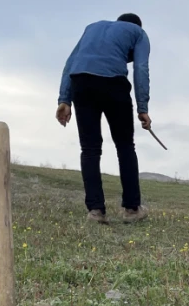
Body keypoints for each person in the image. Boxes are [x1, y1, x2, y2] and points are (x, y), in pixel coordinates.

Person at [56, 13, 151, 224]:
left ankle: (96, 211)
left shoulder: (93, 27)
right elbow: (141, 68)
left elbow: (70, 63)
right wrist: (143, 107)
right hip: (114, 84)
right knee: (125, 146)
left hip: (81, 82)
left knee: (89, 149)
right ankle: (132, 209)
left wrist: (65, 99)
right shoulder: (138, 33)